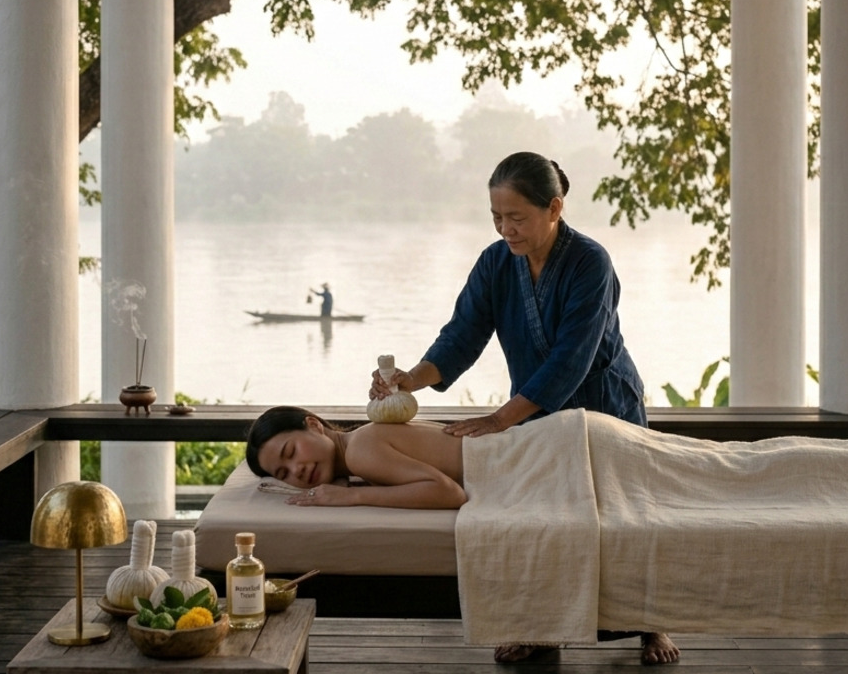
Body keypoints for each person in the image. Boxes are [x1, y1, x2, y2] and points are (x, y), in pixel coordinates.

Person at [370, 150, 674, 663]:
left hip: (604, 405)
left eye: (517, 218)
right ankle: (542, 626)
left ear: (554, 208)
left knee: (622, 521)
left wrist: (498, 421)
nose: (505, 229)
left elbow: (568, 361)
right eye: (496, 218)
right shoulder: (496, 263)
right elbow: (460, 337)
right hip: (539, 412)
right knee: (545, 518)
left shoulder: (590, 262)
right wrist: (410, 381)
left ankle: (650, 626)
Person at [245, 405, 675, 664]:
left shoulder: (361, 450)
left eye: (290, 452)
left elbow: (447, 493)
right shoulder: (361, 443)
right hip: (552, 444)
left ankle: (649, 622)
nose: (296, 470)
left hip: (552, 454)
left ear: (314, 425)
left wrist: (350, 499)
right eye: (284, 474)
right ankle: (630, 622)